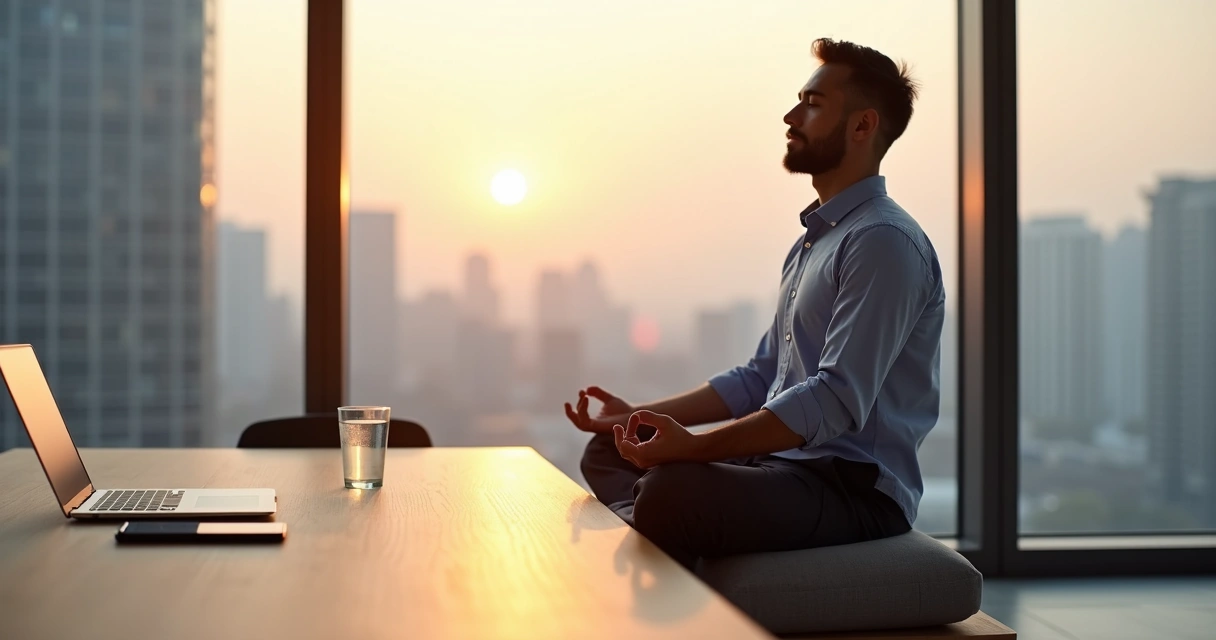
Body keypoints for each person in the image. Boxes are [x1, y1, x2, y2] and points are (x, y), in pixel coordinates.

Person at [564, 38, 945, 570]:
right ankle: (655, 533)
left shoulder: (883, 242)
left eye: (813, 104)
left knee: (673, 490)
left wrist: (694, 450)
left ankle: (651, 529)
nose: (791, 116)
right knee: (608, 447)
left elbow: (835, 399)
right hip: (781, 465)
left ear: (862, 126)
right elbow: (759, 376)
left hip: (850, 488)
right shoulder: (815, 240)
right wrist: (640, 417)